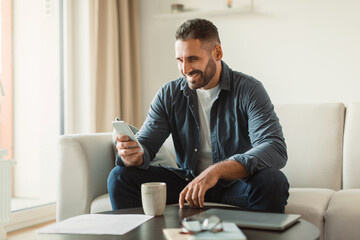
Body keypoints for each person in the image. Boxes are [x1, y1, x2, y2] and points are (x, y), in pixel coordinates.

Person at [107, 18, 289, 213]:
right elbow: (147, 145)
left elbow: (274, 147)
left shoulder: (249, 90)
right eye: (180, 60)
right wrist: (134, 155)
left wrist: (216, 171)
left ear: (217, 53)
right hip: (188, 183)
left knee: (273, 181)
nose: (185, 70)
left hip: (235, 185)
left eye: (192, 59)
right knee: (120, 176)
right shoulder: (169, 94)